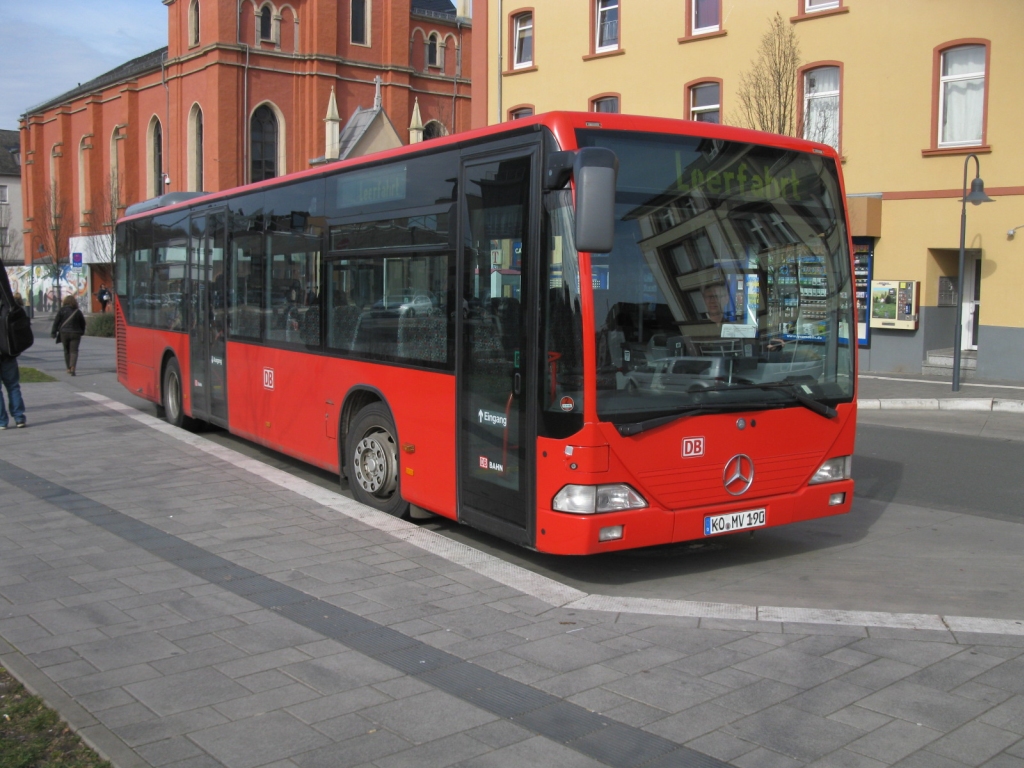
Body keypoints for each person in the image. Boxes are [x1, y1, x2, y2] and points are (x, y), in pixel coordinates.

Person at [0, 268, 28, 429]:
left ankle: (2, 421)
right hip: (8, 353)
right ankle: (19, 417)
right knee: (13, 386)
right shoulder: (8, 309)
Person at [51, 295, 86, 376]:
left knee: (66, 351)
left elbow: (56, 322)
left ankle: (68, 368)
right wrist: (82, 331)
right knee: (74, 351)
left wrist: (53, 332)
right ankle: (73, 366)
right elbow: (83, 323)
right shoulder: (78, 311)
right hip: (76, 333)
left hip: (64, 333)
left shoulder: (62, 310)